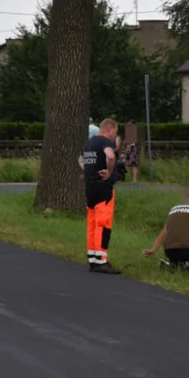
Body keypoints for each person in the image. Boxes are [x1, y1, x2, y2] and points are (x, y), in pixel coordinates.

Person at [79, 117, 121, 274]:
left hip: (90, 188)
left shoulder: (88, 143)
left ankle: (93, 258)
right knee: (103, 224)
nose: (113, 136)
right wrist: (109, 172)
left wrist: (87, 170)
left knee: (92, 223)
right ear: (109, 129)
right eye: (114, 133)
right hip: (103, 188)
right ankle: (102, 261)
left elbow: (80, 159)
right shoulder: (105, 142)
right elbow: (110, 156)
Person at [142, 186, 189, 269]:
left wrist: (153, 249)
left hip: (169, 252)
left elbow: (165, 231)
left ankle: (177, 264)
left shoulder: (175, 208)